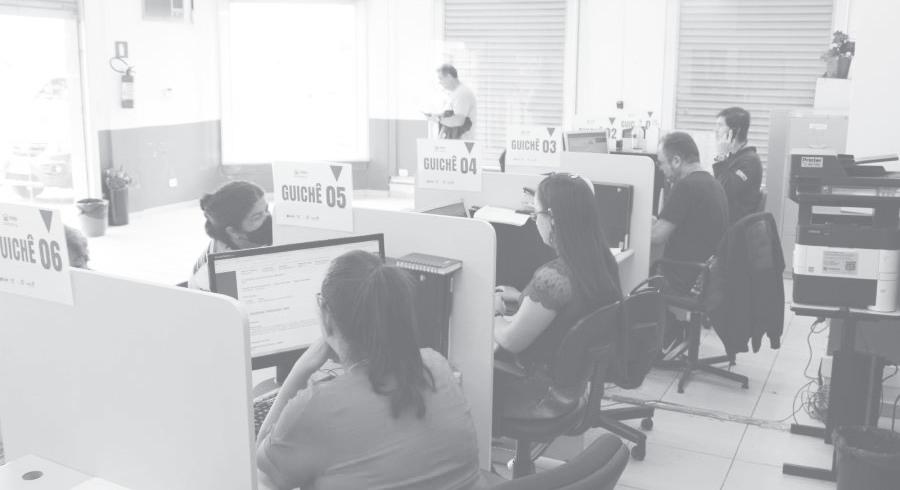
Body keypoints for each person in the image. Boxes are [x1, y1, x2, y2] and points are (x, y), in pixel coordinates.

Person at [256, 250, 487, 490]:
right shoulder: (437, 366)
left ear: (326, 315)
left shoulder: (317, 405)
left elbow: (260, 469)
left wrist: (300, 371)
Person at [493, 172, 622, 372]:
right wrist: (522, 297)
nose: (535, 221)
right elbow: (571, 307)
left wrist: (494, 313)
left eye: (536, 214)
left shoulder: (553, 278)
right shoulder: (602, 260)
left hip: (538, 375)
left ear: (552, 219)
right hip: (577, 372)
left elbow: (511, 341)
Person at [652, 132, 729, 295]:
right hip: (705, 276)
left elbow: (657, 237)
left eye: (661, 163)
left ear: (676, 161)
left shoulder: (685, 187)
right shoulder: (713, 183)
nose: (660, 169)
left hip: (680, 278)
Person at [187, 180, 272, 290]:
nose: (267, 217)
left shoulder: (236, 240)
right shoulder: (217, 273)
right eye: (257, 217)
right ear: (233, 231)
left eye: (266, 209)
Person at [713, 107, 762, 224]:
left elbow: (724, 192)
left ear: (735, 130)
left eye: (720, 125)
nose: (715, 130)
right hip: (723, 219)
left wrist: (721, 157)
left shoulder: (750, 161)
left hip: (735, 226)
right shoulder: (733, 157)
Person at [432, 64, 477, 140]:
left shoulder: (462, 93)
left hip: (460, 144)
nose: (439, 82)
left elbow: (459, 120)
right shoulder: (454, 93)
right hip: (453, 142)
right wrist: (436, 116)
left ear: (449, 77)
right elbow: (451, 115)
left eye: (440, 78)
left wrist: (439, 119)